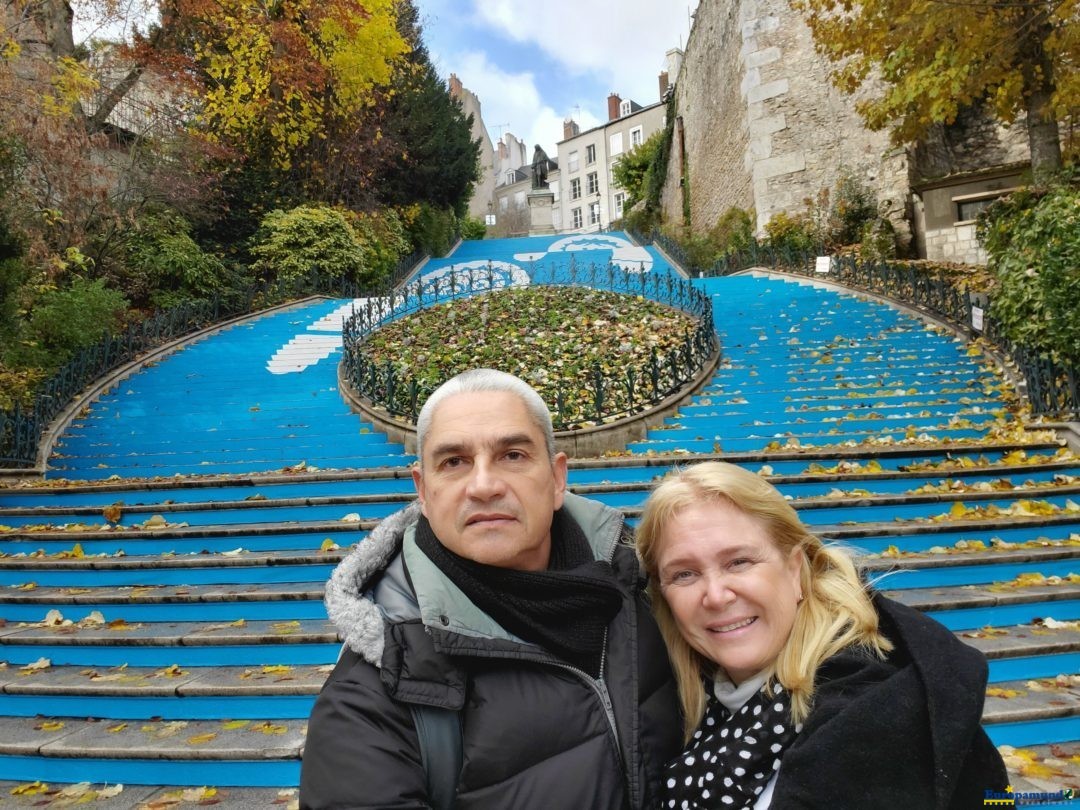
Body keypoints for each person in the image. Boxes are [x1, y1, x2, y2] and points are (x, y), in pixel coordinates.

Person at [300, 369, 681, 809]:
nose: (483, 486)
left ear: (557, 479)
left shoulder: (647, 589)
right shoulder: (374, 695)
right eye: (454, 462)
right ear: (423, 491)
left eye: (513, 455)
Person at [635, 461, 1009, 809]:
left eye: (739, 562)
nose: (716, 596)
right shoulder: (682, 701)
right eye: (684, 574)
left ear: (796, 568)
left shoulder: (877, 713)